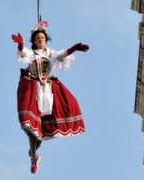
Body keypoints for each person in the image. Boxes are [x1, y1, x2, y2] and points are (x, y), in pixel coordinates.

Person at [11, 21, 89, 174]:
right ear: (34, 41)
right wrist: (20, 45)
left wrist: (74, 48)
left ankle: (34, 148)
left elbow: (62, 55)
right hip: (32, 88)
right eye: (38, 38)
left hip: (47, 89)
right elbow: (23, 53)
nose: (41, 40)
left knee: (40, 125)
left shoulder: (50, 53)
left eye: (43, 38)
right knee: (29, 124)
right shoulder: (32, 54)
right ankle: (34, 157)